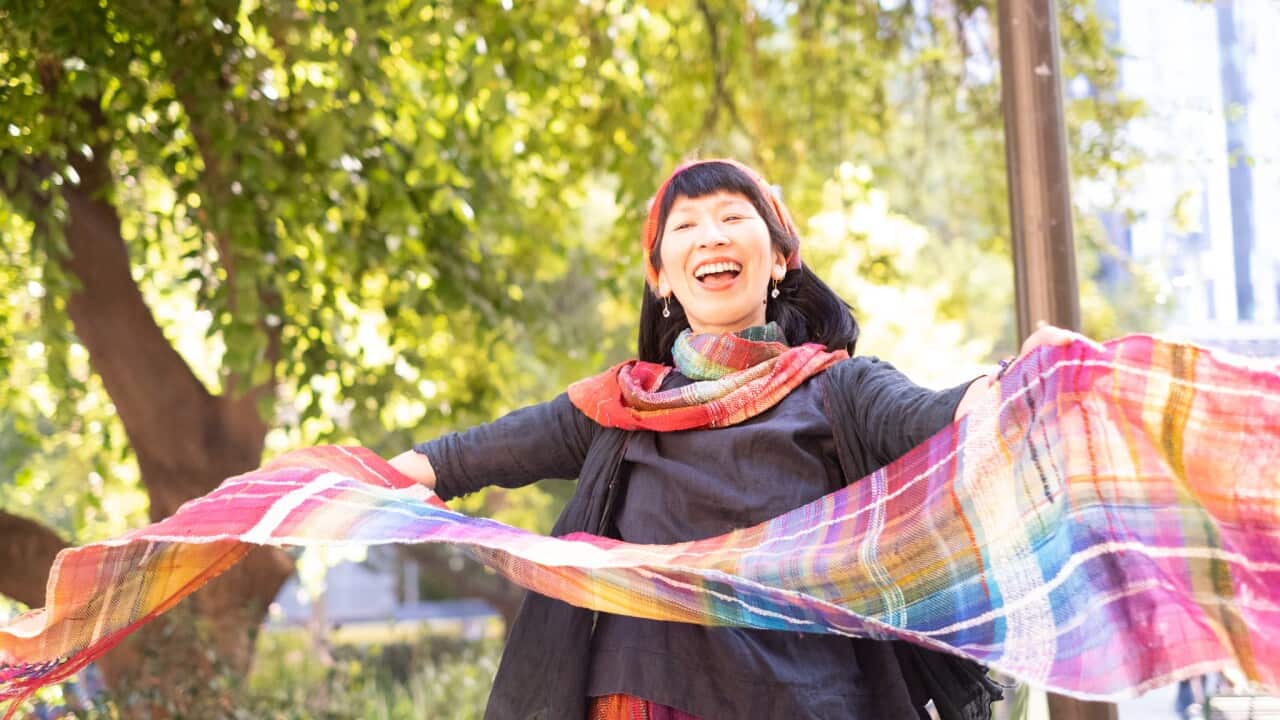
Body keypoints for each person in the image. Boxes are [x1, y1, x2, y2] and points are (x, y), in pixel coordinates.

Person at [389, 159, 1082, 720]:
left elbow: (938, 415)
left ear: (780, 259)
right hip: (641, 698)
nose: (711, 235)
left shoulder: (840, 390)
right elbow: (472, 455)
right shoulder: (621, 402)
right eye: (686, 224)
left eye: (732, 216)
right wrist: (360, 480)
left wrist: (1021, 379)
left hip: (808, 701)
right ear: (661, 276)